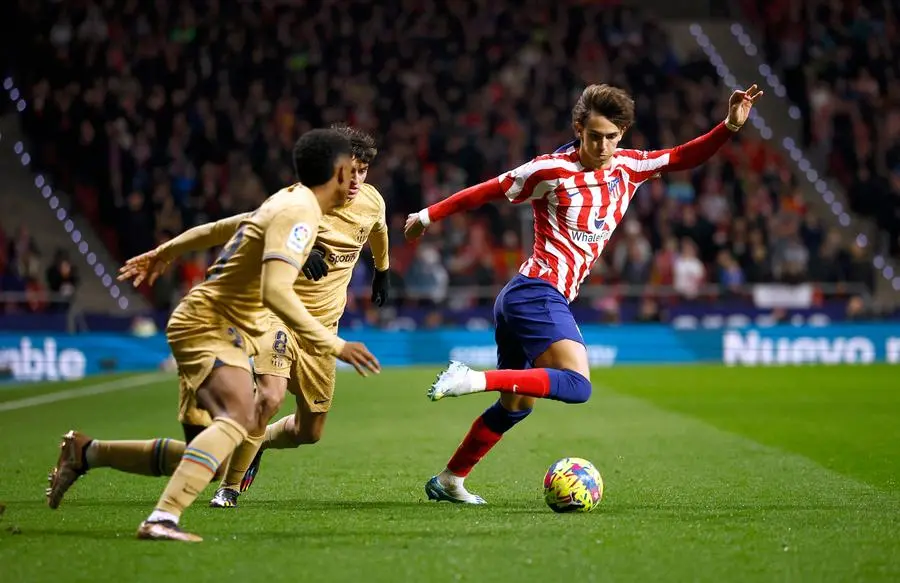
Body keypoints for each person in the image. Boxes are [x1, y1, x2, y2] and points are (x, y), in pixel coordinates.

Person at [404, 83, 763, 504]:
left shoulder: (630, 166)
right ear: (579, 129)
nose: (604, 146)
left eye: (613, 137)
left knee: (516, 406)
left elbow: (685, 156)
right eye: (595, 137)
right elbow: (487, 190)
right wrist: (428, 215)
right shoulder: (549, 170)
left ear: (623, 133)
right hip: (536, 293)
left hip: (523, 297)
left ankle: (450, 479)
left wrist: (729, 127)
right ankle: (469, 378)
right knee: (577, 384)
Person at [47, 128, 381, 542]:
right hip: (210, 324)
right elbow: (274, 291)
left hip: (217, 324)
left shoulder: (288, 200)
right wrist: (336, 344)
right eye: (350, 172)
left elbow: (221, 227)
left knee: (214, 455)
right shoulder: (301, 212)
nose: (356, 181)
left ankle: (86, 452)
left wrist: (166, 251)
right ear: (334, 172)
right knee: (243, 417)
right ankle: (161, 519)